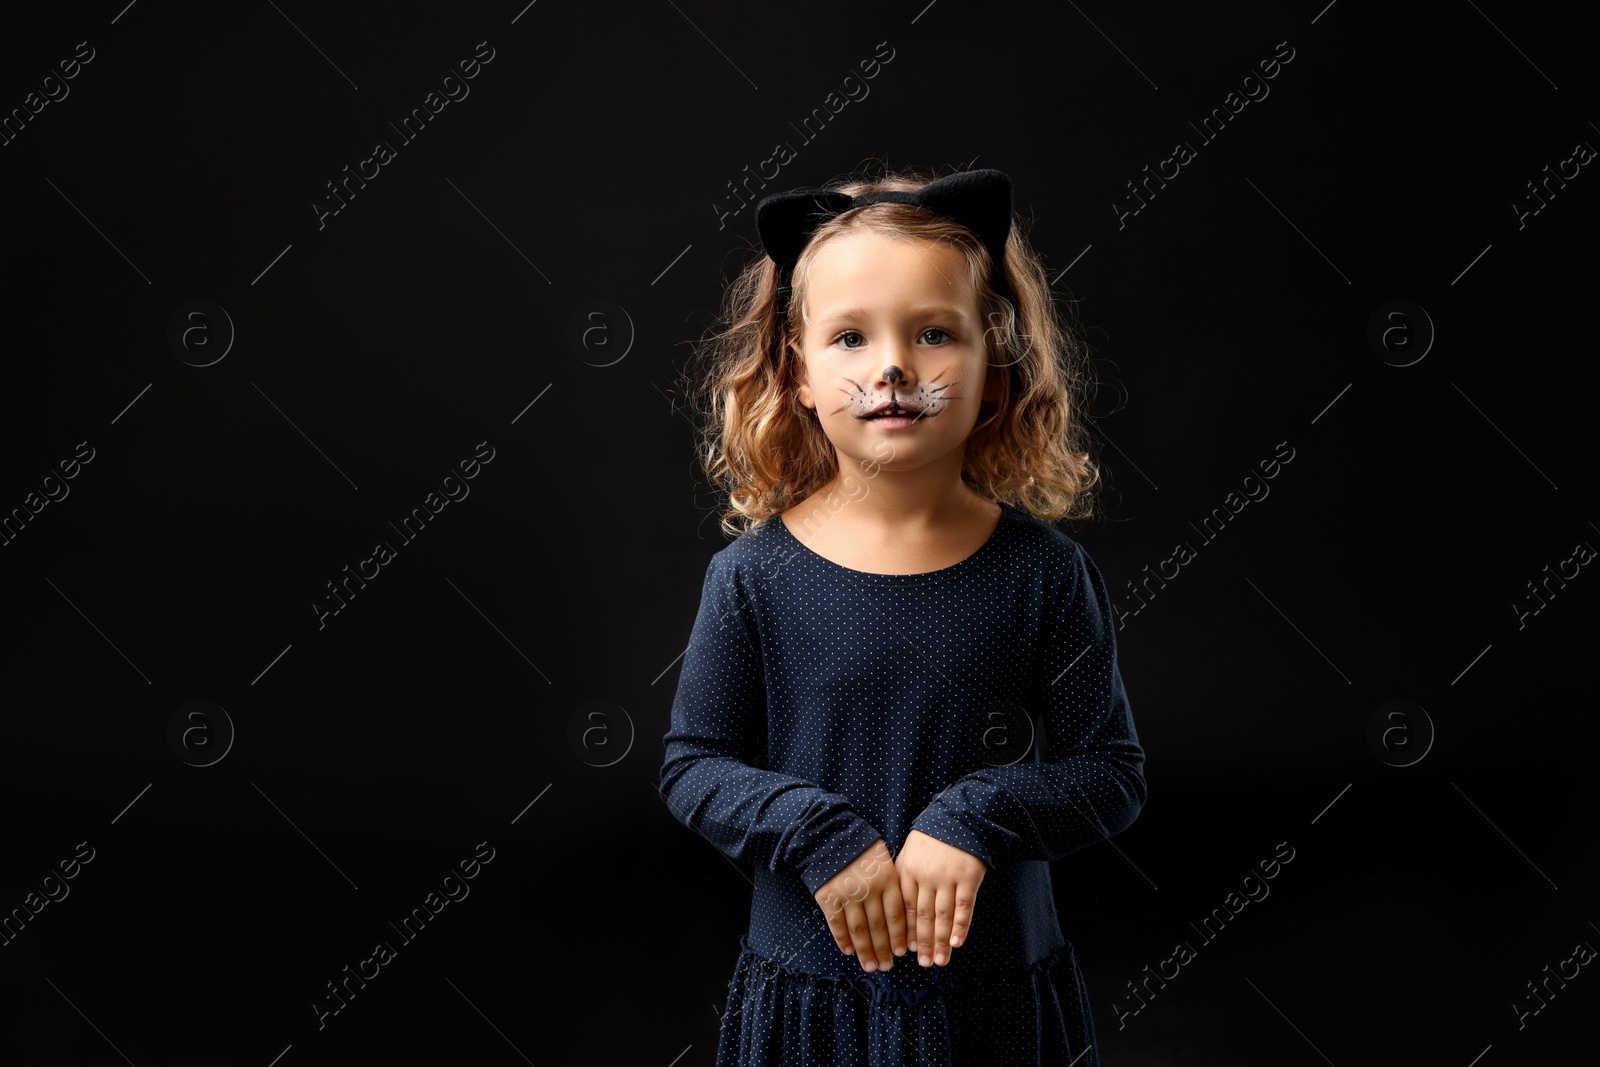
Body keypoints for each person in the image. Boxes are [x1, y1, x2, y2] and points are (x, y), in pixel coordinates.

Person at [658, 165, 1148, 1066]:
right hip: (812, 1005)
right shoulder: (751, 577)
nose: (892, 367)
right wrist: (817, 832)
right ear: (797, 373)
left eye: (932, 333)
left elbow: (1111, 774)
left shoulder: (1045, 573)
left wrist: (978, 813)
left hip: (994, 1004)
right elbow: (694, 766)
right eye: (849, 336)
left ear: (996, 373)